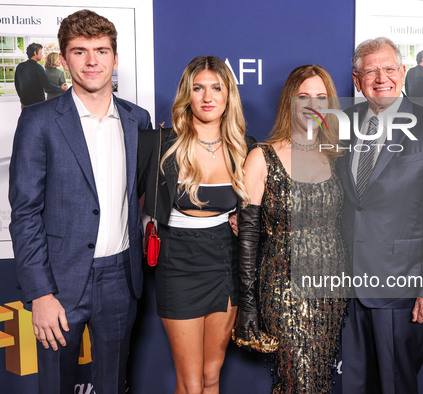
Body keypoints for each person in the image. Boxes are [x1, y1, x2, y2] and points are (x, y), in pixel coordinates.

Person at [9, 9, 151, 394]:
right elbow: (24, 214)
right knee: (55, 385)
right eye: (80, 51)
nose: (92, 61)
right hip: (59, 282)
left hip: (121, 279)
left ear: (115, 58)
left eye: (102, 51)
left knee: (114, 385)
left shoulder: (138, 120)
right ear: (65, 57)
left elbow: (146, 194)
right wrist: (40, 293)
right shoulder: (39, 121)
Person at [337, 37, 423, 394]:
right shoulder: (342, 124)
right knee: (355, 385)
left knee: (395, 385)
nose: (381, 78)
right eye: (371, 71)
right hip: (347, 286)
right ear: (357, 80)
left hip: (401, 288)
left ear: (403, 72)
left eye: (389, 68)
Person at [138, 55, 254, 394]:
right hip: (178, 266)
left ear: (228, 94)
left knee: (211, 377)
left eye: (216, 88)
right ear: (186, 95)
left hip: (225, 265)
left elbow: (262, 211)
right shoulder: (158, 144)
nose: (207, 97)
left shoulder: (246, 148)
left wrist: (241, 221)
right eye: (198, 88)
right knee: (189, 385)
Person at [235, 65, 348, 393]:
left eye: (320, 96)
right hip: (284, 290)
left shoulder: (337, 156)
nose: (312, 104)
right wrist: (248, 305)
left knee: (320, 380)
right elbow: (247, 239)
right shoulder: (261, 157)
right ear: (289, 102)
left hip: (332, 290)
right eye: (304, 97)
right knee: (297, 382)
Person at [14, 43, 67, 108]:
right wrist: (61, 88)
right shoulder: (38, 68)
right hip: (37, 105)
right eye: (41, 52)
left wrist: (23, 99)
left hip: (24, 104)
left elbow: (17, 85)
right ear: (35, 53)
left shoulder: (20, 66)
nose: (42, 55)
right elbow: (47, 85)